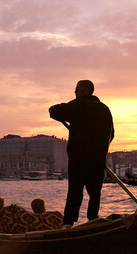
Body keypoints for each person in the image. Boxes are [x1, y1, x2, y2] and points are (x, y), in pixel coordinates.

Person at [49, 80, 114, 226]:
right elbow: (112, 134)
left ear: (85, 90)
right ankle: (93, 217)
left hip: (78, 157)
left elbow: (54, 111)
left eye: (77, 90)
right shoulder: (105, 109)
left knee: (75, 191)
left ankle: (68, 222)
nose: (75, 93)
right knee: (95, 191)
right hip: (98, 158)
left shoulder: (78, 105)